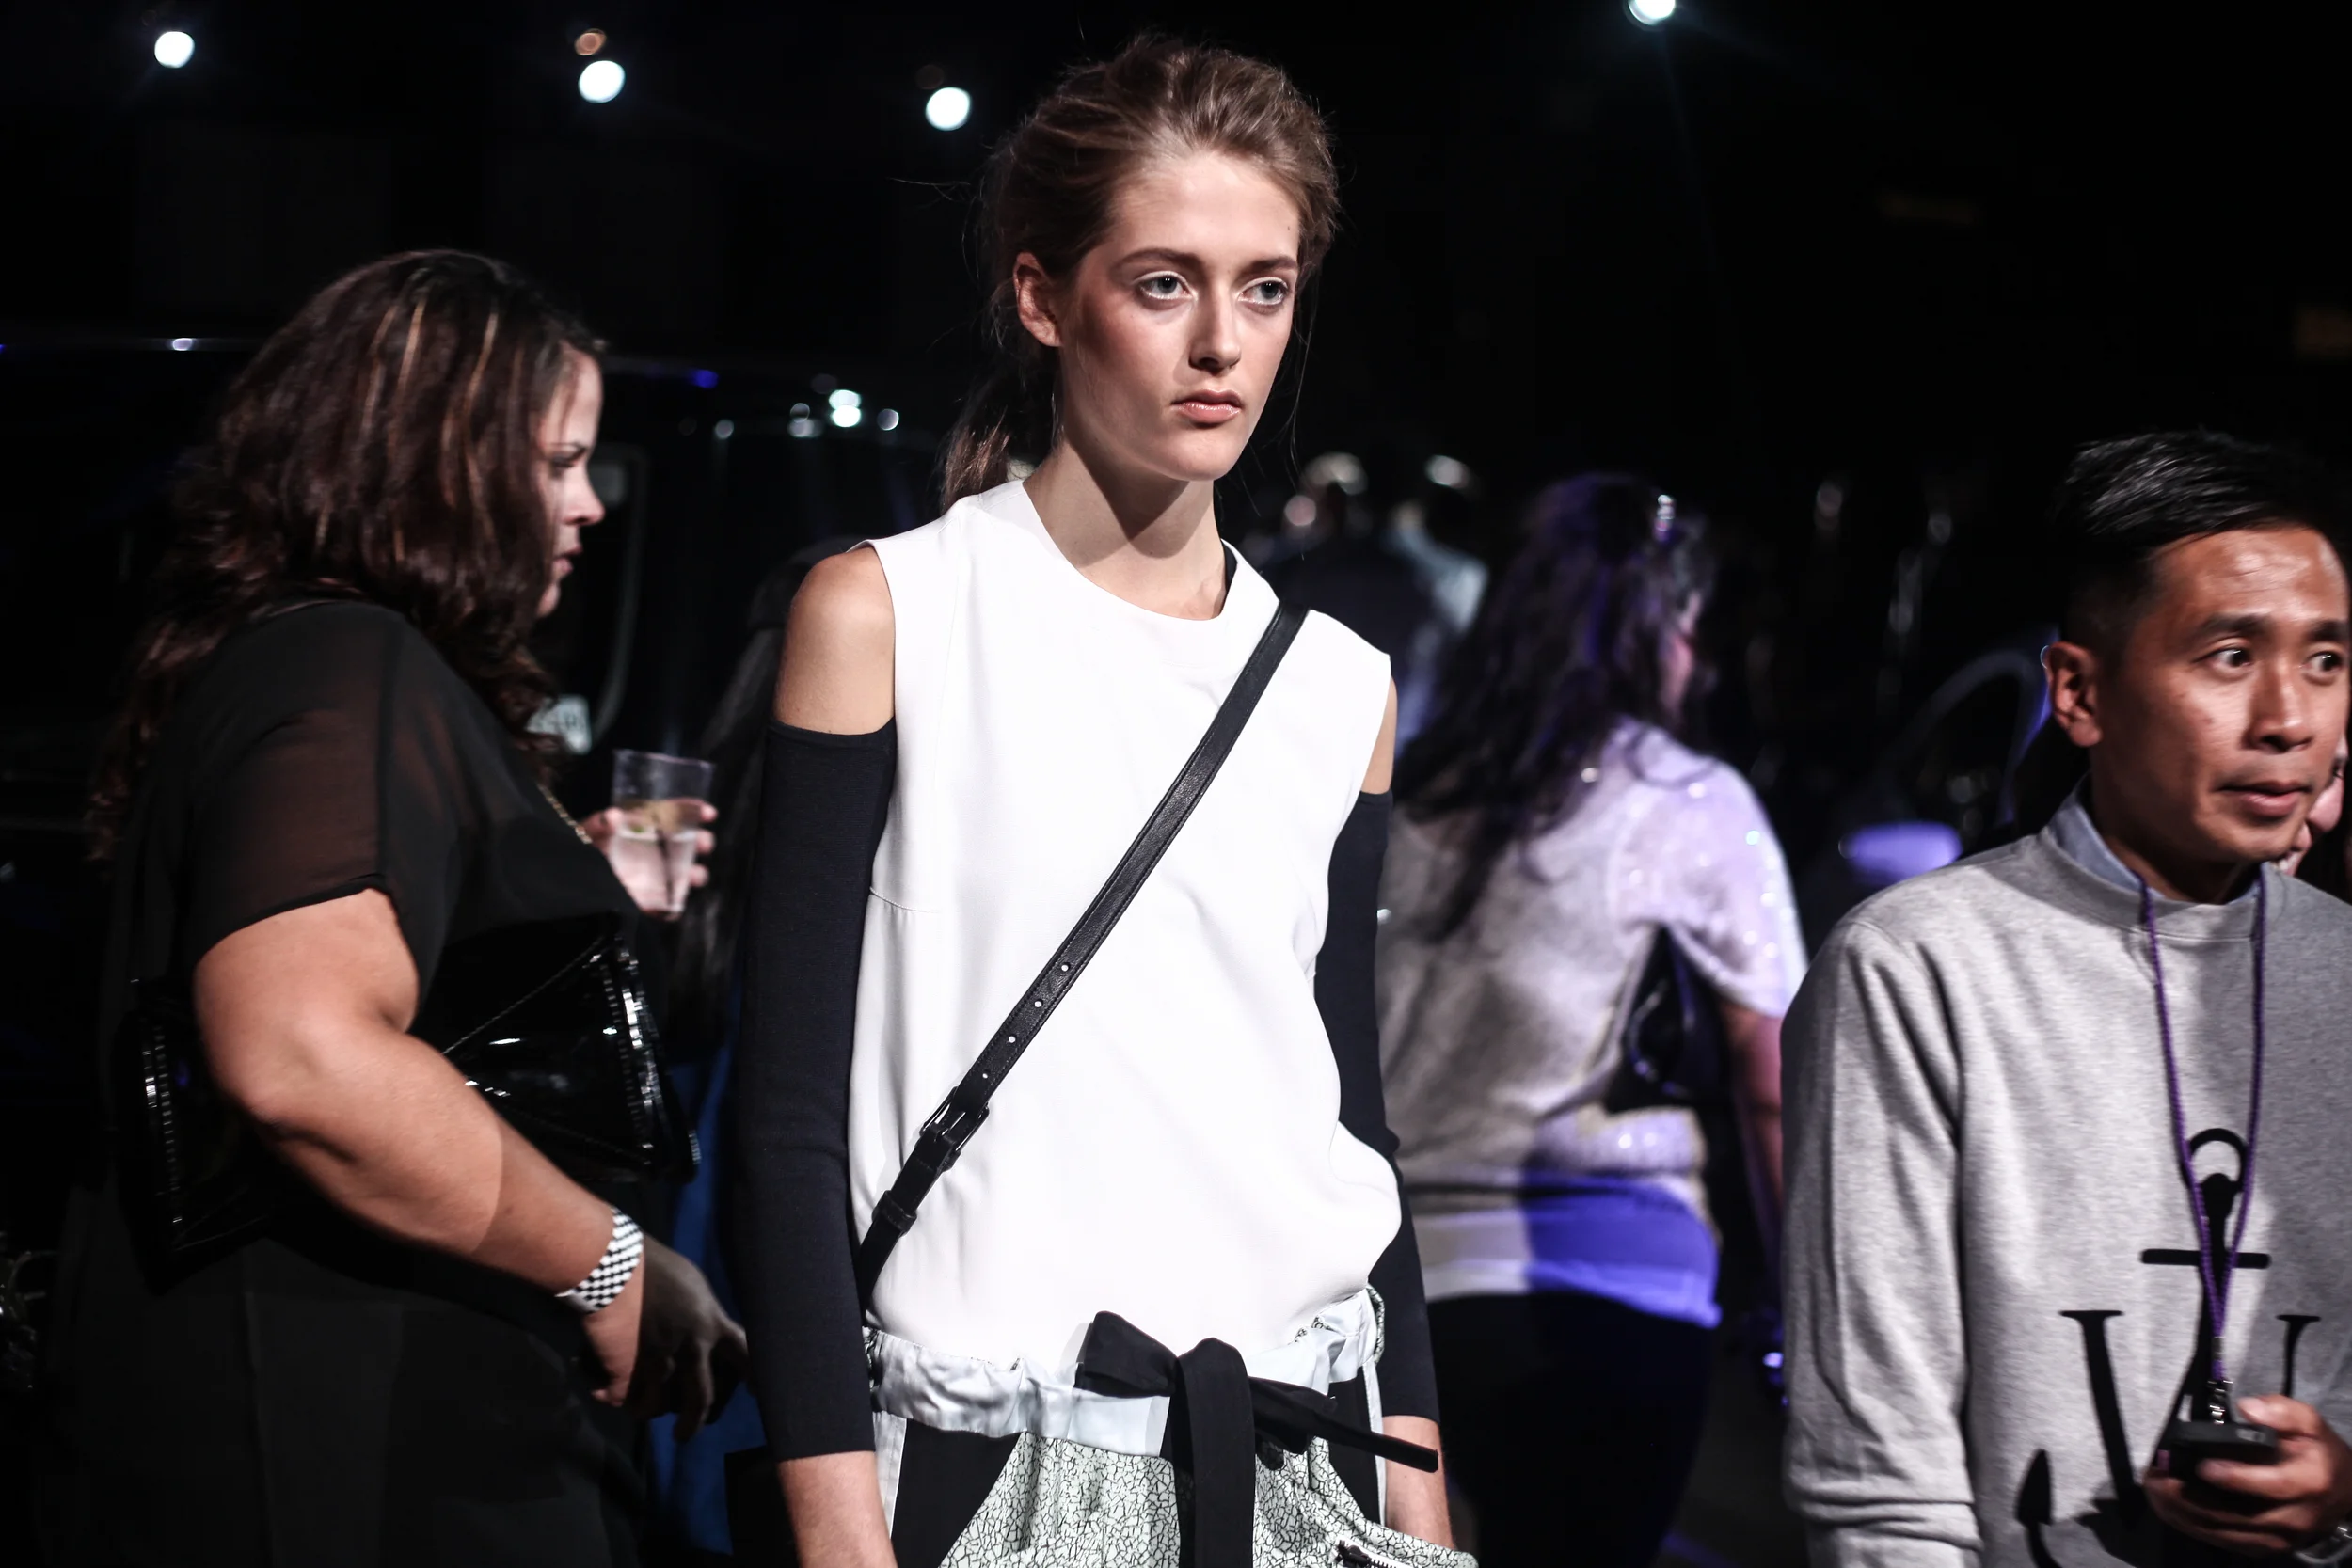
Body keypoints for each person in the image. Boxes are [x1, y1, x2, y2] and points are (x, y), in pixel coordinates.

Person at [733, 38, 1462, 1568]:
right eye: (1163, 282)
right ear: (1043, 295)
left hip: (1312, 1453)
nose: (1222, 343)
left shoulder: (1338, 685)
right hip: (989, 1458)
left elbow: (1348, 1115)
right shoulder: (891, 612)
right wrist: (837, 1527)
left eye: (1266, 287)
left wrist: (1421, 1493)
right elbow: (787, 1117)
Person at [46, 250, 743, 1568]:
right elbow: (304, 1052)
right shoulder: (349, 659)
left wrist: (567, 892)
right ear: (436, 466)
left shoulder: (317, 662)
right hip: (348, 1446)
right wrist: (613, 1260)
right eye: (559, 461)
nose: (590, 502)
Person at [1784, 431, 2352, 1566]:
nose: (2288, 716)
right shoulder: (1917, 968)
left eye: (2326, 659)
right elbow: (1880, 1484)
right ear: (2079, 693)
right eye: (2228, 656)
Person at [1376, 475, 1803, 1567]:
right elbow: (1770, 1081)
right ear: (1662, 630)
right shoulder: (1686, 800)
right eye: (1690, 628)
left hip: (1397, 1309)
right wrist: (1806, 1298)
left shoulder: (1410, 793)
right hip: (1612, 1300)